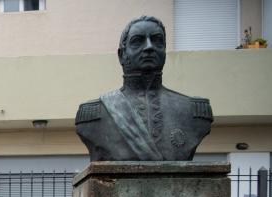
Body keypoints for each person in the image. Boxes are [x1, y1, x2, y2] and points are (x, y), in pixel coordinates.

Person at [75, 15, 213, 161]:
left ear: (164, 51)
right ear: (122, 55)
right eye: (137, 41)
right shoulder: (95, 114)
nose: (149, 47)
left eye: (157, 41)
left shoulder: (193, 112)